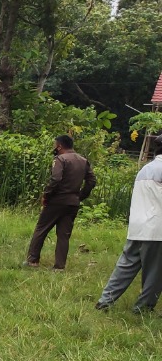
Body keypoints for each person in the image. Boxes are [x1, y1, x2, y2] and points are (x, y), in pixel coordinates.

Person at [96, 146, 162, 313]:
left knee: (125, 266)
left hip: (137, 227)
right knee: (155, 273)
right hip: (157, 229)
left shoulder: (145, 169)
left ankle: (105, 301)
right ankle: (143, 308)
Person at [25, 134, 97, 269]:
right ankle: (59, 267)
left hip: (57, 201)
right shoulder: (83, 160)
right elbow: (92, 180)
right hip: (73, 202)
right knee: (64, 235)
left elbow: (56, 179)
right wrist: (81, 196)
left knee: (41, 229)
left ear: (59, 146)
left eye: (55, 145)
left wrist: (46, 195)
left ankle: (32, 260)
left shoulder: (60, 159)